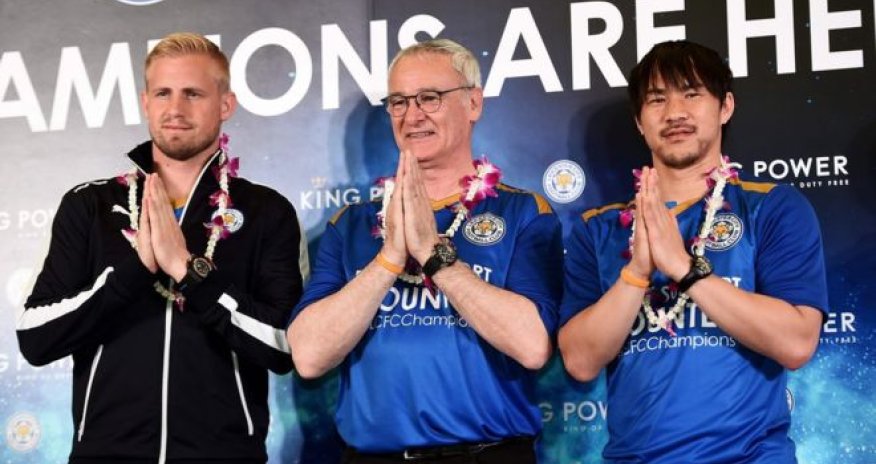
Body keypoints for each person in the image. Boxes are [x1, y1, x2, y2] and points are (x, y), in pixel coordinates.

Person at [16, 32, 302, 463]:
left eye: (193, 93)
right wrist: (135, 270)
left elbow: (283, 347)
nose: (176, 109)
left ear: (226, 104)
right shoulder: (89, 205)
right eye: (163, 93)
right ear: (145, 101)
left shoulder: (266, 211)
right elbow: (36, 339)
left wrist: (188, 271)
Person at [286, 38, 563, 463]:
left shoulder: (523, 211)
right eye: (398, 102)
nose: (412, 116)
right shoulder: (352, 224)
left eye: (430, 98)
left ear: (473, 103)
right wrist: (388, 261)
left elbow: (532, 346)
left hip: (487, 454)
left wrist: (435, 256)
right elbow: (307, 357)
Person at [558, 40, 828, 463]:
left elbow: (796, 342)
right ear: (639, 121)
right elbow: (579, 361)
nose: (674, 113)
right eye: (657, 99)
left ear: (725, 107)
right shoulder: (600, 228)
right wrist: (637, 273)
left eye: (691, 93)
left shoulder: (771, 206)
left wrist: (685, 268)